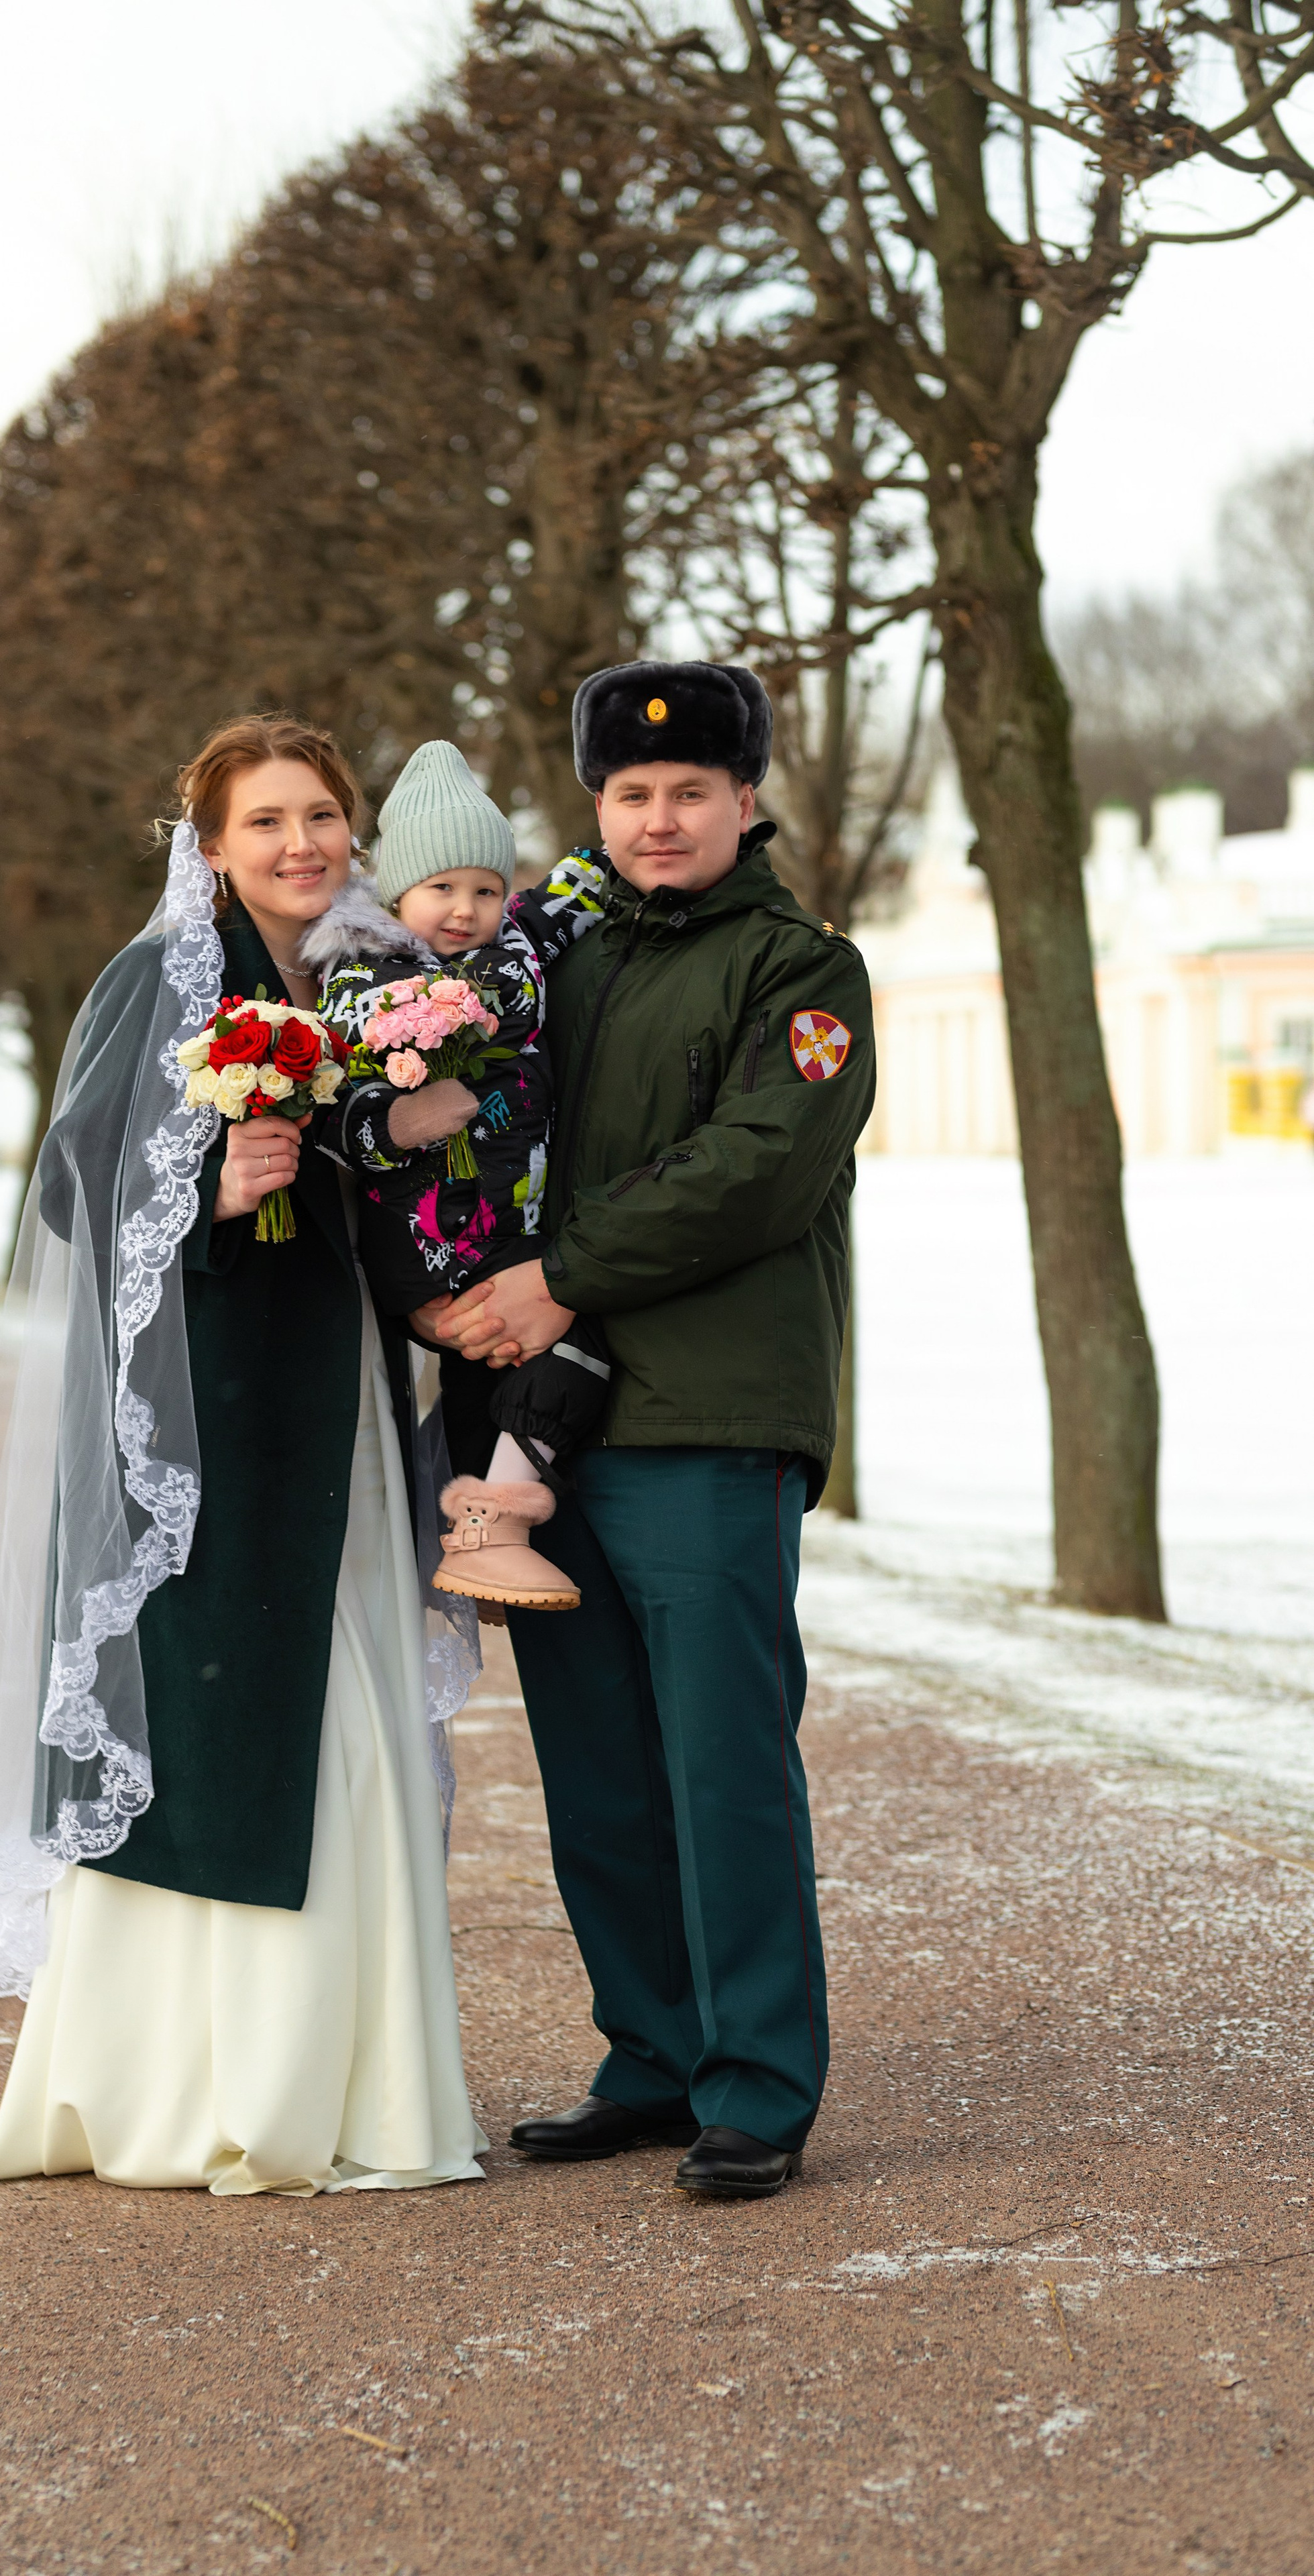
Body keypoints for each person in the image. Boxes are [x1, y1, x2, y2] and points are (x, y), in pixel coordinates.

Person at [0, 712, 486, 2198]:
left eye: (319, 815)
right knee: (220, 1728)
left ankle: (363, 2082)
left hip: (342, 1410)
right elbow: (64, 1195)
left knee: (351, 1697)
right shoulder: (155, 981)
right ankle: (195, 2090)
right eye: (265, 823)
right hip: (201, 1430)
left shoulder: (380, 985)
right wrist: (208, 1193)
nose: (300, 844)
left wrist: (429, 1132)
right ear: (212, 847)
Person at [435, 660, 875, 2202]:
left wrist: (555, 1279)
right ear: (596, 807)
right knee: (599, 1768)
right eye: (630, 792)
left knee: (721, 1764)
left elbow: (755, 1169)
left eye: (691, 790)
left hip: (704, 1415)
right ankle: (651, 2053)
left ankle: (756, 2080)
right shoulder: (551, 960)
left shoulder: (802, 972)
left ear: (745, 801)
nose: (659, 815)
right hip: (548, 1438)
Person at [303, 738, 610, 1615]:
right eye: (442, 889)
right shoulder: (371, 974)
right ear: (398, 894)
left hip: (514, 1214)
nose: (466, 909)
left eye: (484, 887)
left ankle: (481, 1531)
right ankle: (486, 1526)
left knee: (535, 1359)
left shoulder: (515, 945)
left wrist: (622, 848)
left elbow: (572, 892)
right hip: (430, 1227)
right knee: (545, 1342)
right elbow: (345, 1097)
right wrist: (407, 1098)